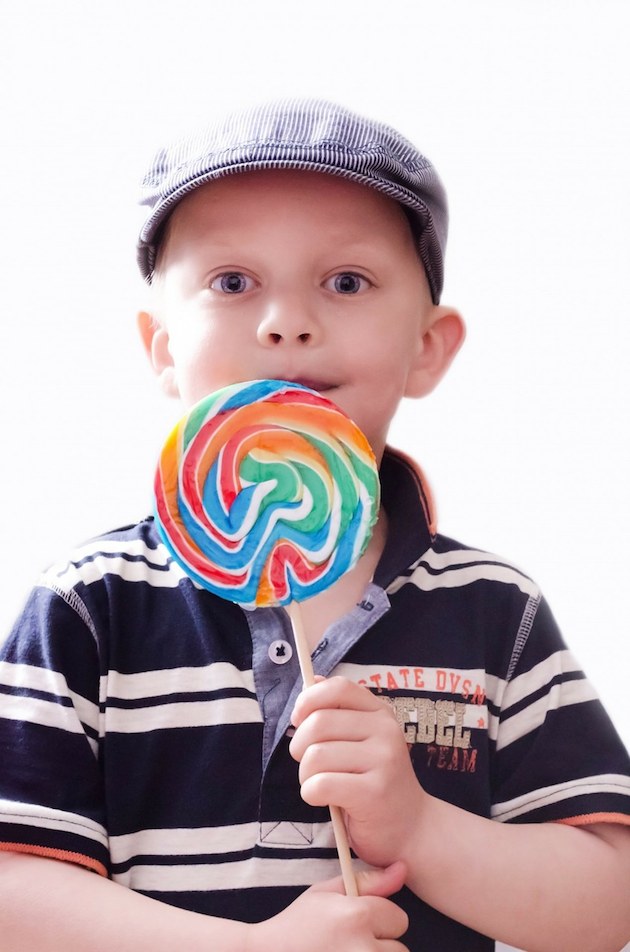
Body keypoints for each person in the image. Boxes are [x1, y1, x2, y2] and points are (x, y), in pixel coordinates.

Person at [1, 99, 629, 952]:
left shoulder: (494, 608)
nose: (286, 321)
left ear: (428, 347)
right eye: (232, 282)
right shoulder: (88, 606)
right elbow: (14, 888)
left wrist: (418, 829)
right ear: (161, 349)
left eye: (346, 281)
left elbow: (608, 901)